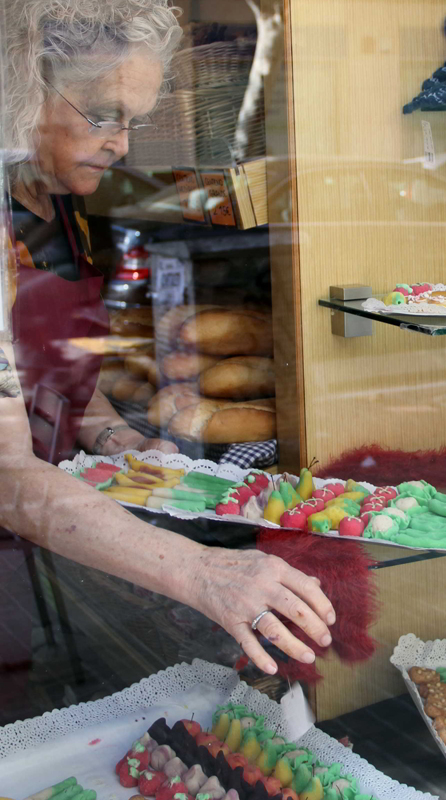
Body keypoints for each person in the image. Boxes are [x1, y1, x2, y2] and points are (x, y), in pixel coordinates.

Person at [0, 0, 333, 676]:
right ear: (23, 86)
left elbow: (59, 375)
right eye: (103, 113)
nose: (121, 144)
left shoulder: (56, 202)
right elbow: (5, 476)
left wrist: (116, 440)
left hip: (56, 534)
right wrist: (201, 571)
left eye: (135, 120)